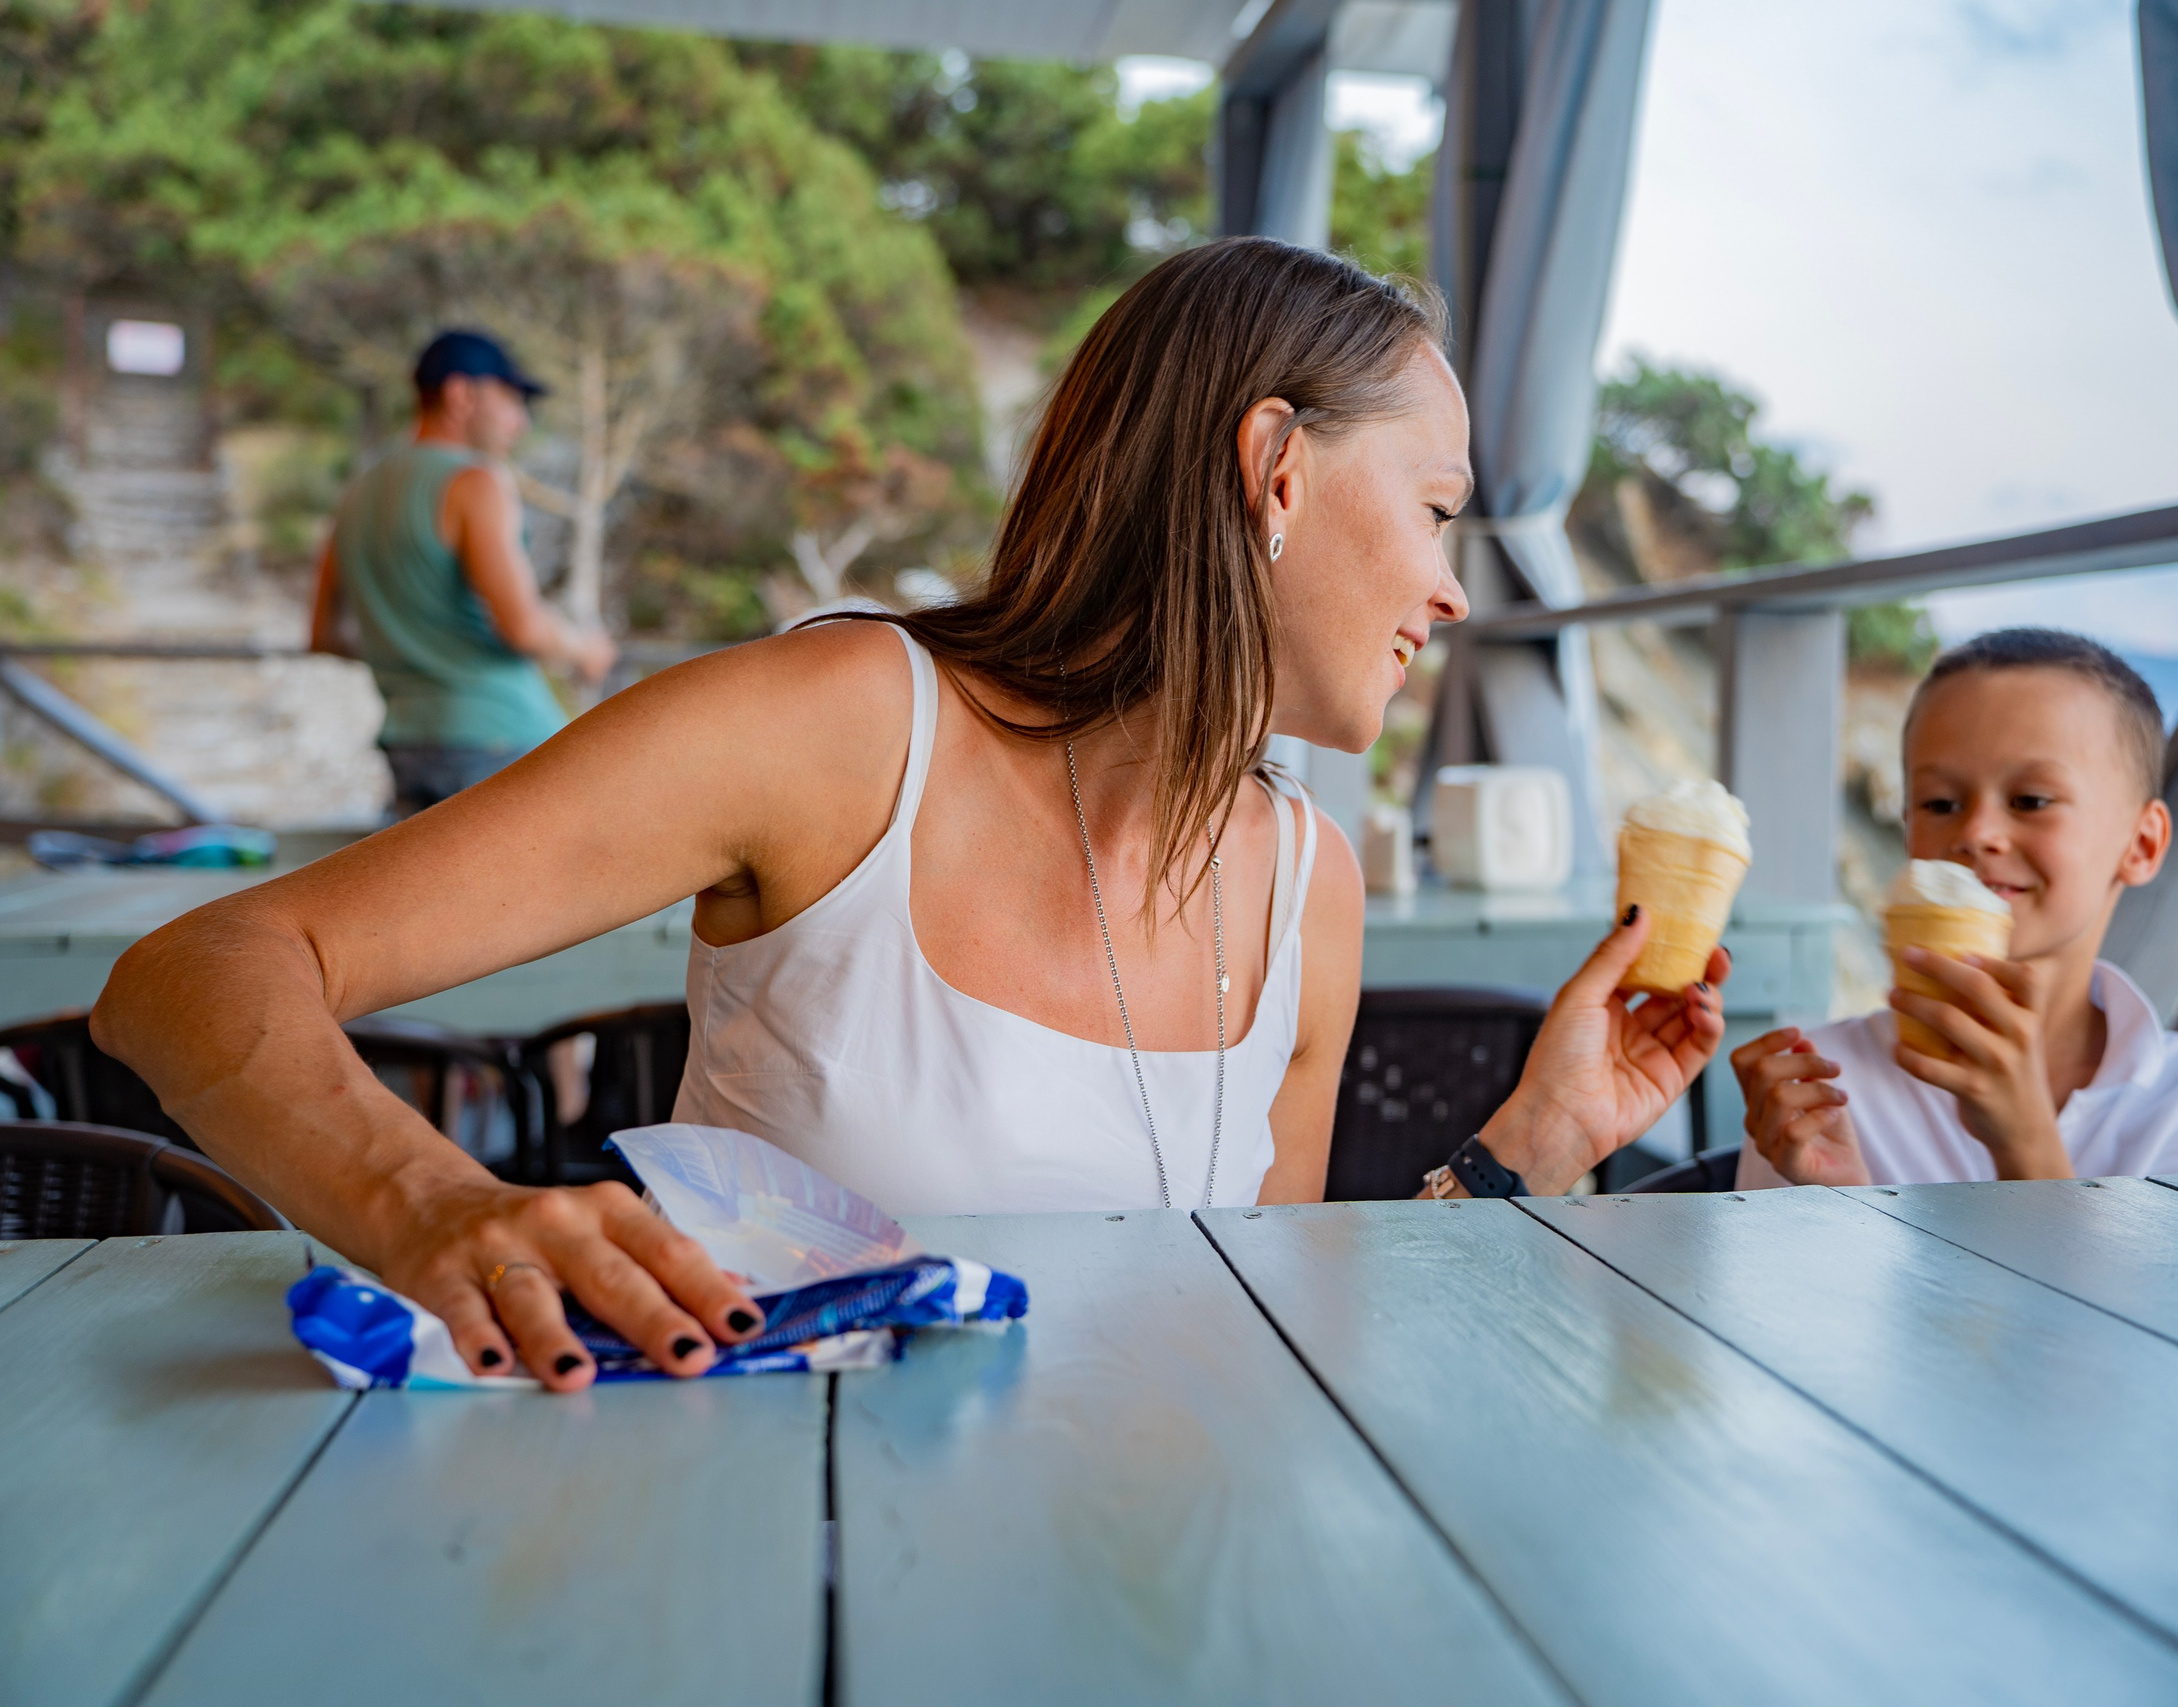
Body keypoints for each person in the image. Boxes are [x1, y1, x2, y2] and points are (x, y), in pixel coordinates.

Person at [96, 240, 1729, 1391]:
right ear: (1277, 469)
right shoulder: (843, 727)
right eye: (1438, 507)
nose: (1452, 585)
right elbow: (198, 972)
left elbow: (1257, 1329)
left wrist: (1527, 1146)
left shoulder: (1309, 877)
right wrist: (439, 1206)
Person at [1732, 628, 2178, 1188]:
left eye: (2031, 801)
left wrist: (2025, 1141)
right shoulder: (1816, 1079)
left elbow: (2156, 1284)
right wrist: (1839, 1201)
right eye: (1941, 803)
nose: (1977, 832)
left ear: (2142, 845)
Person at [310, 328, 616, 817]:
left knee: (440, 895)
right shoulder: (476, 481)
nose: (520, 422)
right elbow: (522, 626)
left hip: (407, 743)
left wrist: (414, 648)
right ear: (460, 394)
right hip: (500, 738)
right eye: (511, 400)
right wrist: (586, 650)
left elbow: (324, 635)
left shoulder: (358, 490)